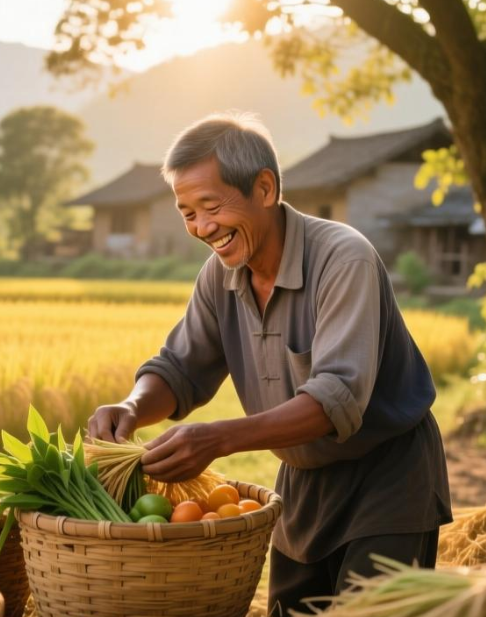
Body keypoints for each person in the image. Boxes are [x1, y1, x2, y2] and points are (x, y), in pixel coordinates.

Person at [87, 112, 452, 616]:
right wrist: (131, 407)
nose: (202, 227)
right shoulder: (220, 277)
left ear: (264, 188)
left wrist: (217, 439)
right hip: (300, 486)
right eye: (187, 213)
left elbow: (334, 399)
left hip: (387, 478)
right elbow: (179, 367)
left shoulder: (343, 259)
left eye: (211, 206)